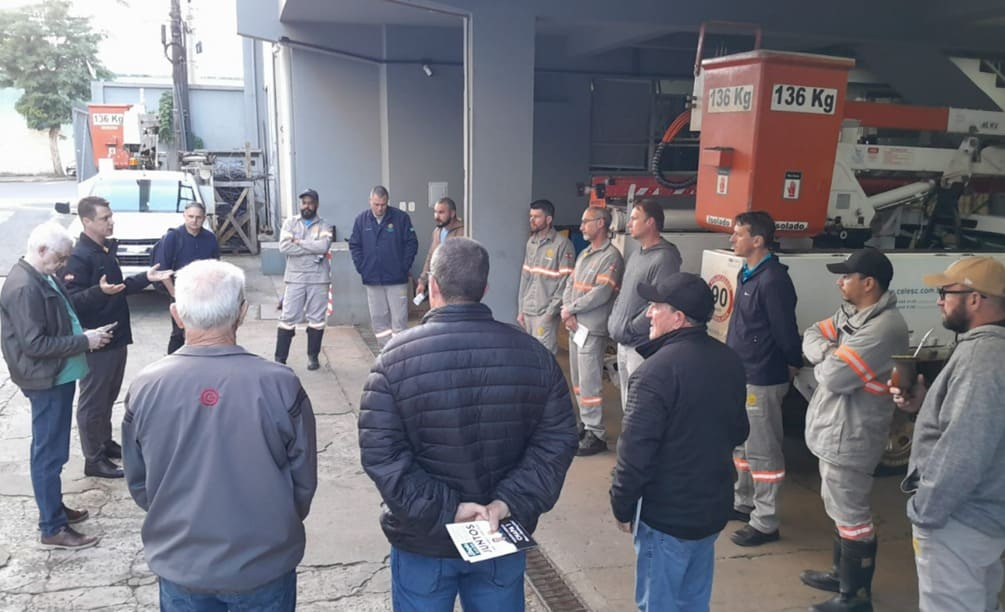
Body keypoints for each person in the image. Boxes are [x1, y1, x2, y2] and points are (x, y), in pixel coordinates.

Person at [359, 237, 578, 611]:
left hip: (424, 543)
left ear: (433, 286)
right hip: (499, 534)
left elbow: (382, 456)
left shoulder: (393, 362)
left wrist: (450, 510)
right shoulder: (535, 357)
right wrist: (507, 502)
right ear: (485, 289)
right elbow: (557, 442)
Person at [122, 259, 318, 611]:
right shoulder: (280, 384)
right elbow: (303, 480)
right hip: (263, 561)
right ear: (242, 313)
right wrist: (280, 524)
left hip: (182, 562)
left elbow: (139, 481)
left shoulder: (146, 387)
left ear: (176, 315)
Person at [611, 273, 748, 612]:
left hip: (666, 517)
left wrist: (622, 504)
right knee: (692, 602)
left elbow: (635, 453)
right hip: (710, 509)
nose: (648, 313)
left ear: (679, 317)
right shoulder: (729, 360)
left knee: (659, 603)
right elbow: (739, 430)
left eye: (656, 306)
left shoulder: (654, 373)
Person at [891, 256, 1005, 612]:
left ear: (975, 299)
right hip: (985, 514)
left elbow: (965, 448)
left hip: (960, 521)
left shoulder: (981, 357)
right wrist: (925, 405)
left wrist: (926, 511)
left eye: (945, 293)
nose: (939, 301)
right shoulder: (991, 350)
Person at [799, 248, 908, 612]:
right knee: (839, 507)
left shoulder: (883, 328)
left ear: (869, 283)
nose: (839, 282)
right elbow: (812, 333)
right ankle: (841, 575)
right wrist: (830, 352)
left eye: (846, 276)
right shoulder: (852, 314)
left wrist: (827, 358)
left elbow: (835, 377)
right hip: (836, 428)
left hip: (853, 433)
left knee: (852, 515)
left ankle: (855, 597)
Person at [1, 223, 115, 548]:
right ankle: (51, 526)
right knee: (49, 453)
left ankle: (54, 507)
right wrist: (84, 341)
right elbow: (35, 344)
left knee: (55, 450)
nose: (63, 264)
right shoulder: (24, 286)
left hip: (58, 375)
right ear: (41, 250)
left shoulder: (42, 275)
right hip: (46, 379)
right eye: (60, 258)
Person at [65, 196, 173, 479]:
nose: (111, 222)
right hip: (96, 341)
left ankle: (104, 442)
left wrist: (147, 277)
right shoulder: (79, 257)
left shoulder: (104, 250)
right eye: (104, 218)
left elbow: (117, 288)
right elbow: (70, 302)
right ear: (86, 221)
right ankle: (93, 458)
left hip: (116, 336)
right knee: (93, 402)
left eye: (110, 216)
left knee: (108, 396)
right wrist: (98, 292)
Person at [725, 210, 802, 546]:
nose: (732, 239)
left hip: (762, 375)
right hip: (742, 371)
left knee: (764, 450)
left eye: (738, 234)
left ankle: (766, 521)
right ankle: (743, 503)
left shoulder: (773, 280)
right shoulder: (747, 273)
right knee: (742, 444)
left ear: (757, 240)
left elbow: (785, 330)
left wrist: (792, 361)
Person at [606, 198, 682, 412]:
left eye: (634, 218)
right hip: (624, 342)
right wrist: (615, 321)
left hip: (640, 345)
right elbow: (624, 293)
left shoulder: (665, 258)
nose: (629, 224)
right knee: (627, 402)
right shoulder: (636, 253)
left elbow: (659, 301)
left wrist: (631, 328)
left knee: (640, 404)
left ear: (650, 222)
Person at [562, 206, 624, 456]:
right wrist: (568, 310)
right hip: (575, 325)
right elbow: (570, 284)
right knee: (578, 381)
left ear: (600, 223)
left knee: (590, 382)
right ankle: (586, 423)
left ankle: (596, 433)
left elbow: (601, 293)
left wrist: (571, 309)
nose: (581, 227)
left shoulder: (611, 257)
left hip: (591, 328)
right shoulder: (585, 253)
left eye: (585, 222)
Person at [349, 185, 418, 347]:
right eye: (376, 204)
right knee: (379, 320)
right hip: (372, 278)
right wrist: (362, 267)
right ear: (370, 201)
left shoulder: (401, 218)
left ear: (388, 202)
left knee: (399, 320)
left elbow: (412, 243)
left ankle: (399, 353)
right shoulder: (361, 220)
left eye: (383, 204)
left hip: (397, 279)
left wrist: (404, 266)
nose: (380, 208)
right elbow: (355, 245)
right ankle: (384, 352)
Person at [275, 188, 334, 370]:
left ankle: (313, 357)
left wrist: (299, 242)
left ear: (316, 205)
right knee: (288, 318)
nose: (307, 206)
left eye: (310, 203)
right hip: (295, 278)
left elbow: (323, 246)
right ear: (300, 204)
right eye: (304, 203)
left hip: (318, 279)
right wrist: (312, 247)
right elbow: (284, 247)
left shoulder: (325, 225)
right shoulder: (290, 223)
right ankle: (280, 359)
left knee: (317, 319)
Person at [153, 201, 220, 354]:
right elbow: (163, 270)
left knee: (204, 331)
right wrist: (174, 294)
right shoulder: (172, 237)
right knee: (179, 332)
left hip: (204, 293)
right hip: (180, 292)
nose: (194, 220)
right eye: (190, 216)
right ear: (184, 216)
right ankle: (173, 362)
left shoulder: (210, 238)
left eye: (198, 217)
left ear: (204, 218)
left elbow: (216, 267)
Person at [517, 199, 575, 353]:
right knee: (530, 354)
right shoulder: (531, 243)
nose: (532, 220)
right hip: (528, 310)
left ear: (548, 219)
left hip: (545, 312)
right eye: (531, 216)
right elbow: (525, 277)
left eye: (536, 217)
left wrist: (550, 313)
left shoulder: (563, 244)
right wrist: (521, 309)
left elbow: (565, 282)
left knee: (544, 354)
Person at [415, 196, 464, 299]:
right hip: (438, 286)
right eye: (435, 212)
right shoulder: (437, 232)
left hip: (456, 288)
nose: (437, 216)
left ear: (452, 213)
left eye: (441, 212)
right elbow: (431, 257)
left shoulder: (463, 231)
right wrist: (422, 282)